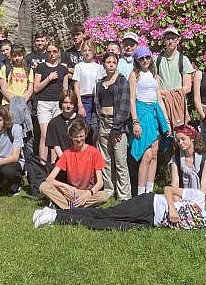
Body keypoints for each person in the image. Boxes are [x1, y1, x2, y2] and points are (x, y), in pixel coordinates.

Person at [33, 181, 206, 238]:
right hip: (149, 204)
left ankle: (56, 217)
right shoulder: (198, 196)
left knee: (107, 226)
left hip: (150, 223)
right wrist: (173, 209)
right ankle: (54, 214)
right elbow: (167, 189)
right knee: (104, 213)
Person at [40, 118, 109, 209]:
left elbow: (100, 182)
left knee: (103, 196)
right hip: (72, 192)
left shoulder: (94, 152)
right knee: (43, 186)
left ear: (86, 135)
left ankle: (67, 205)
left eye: (81, 136)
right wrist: (66, 186)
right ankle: (76, 206)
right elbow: (49, 179)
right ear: (71, 136)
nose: (79, 139)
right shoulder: (67, 153)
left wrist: (89, 193)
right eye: (76, 137)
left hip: (87, 192)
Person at [129, 46, 170, 195]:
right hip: (142, 113)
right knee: (145, 156)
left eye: (147, 57)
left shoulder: (155, 75)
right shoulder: (134, 75)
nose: (145, 60)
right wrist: (135, 122)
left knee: (154, 154)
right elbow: (132, 100)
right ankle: (141, 193)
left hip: (155, 114)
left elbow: (159, 99)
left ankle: (149, 190)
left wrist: (166, 121)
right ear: (137, 60)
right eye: (141, 58)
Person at [91, 52, 132, 201]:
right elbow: (96, 106)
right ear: (103, 64)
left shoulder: (122, 82)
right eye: (108, 62)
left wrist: (117, 126)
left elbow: (124, 105)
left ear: (117, 64)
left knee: (120, 160)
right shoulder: (99, 84)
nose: (110, 65)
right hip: (103, 122)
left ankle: (124, 194)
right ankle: (109, 189)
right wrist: (95, 124)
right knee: (105, 160)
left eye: (113, 62)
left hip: (117, 125)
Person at [33, 41, 69, 162]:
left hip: (58, 104)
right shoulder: (41, 67)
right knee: (44, 134)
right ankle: (42, 164)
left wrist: (67, 104)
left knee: (55, 135)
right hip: (44, 102)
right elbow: (36, 87)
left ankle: (54, 164)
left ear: (58, 52)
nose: (52, 54)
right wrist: (49, 78)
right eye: (49, 52)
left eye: (54, 51)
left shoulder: (63, 69)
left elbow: (65, 89)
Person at [156, 27, 195, 128]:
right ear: (164, 40)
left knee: (180, 135)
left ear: (178, 40)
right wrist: (161, 94)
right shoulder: (157, 60)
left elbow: (187, 88)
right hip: (162, 103)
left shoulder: (183, 60)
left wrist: (170, 95)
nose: (170, 41)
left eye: (173, 38)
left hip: (179, 104)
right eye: (168, 38)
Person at [169, 125, 206, 192]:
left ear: (192, 138)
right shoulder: (175, 160)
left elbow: (204, 187)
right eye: (178, 140)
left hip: (200, 196)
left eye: (183, 139)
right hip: (181, 196)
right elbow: (175, 185)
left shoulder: (205, 160)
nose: (180, 143)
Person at [72, 39, 103, 129]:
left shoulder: (99, 67)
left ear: (94, 52)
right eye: (85, 50)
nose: (87, 53)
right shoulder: (79, 66)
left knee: (96, 126)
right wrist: (80, 105)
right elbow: (76, 87)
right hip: (84, 99)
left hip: (96, 98)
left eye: (89, 50)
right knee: (84, 125)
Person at [45, 90, 78, 163]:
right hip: (63, 159)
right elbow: (56, 146)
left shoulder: (81, 121)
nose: (68, 106)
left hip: (80, 159)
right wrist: (66, 161)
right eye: (65, 103)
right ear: (61, 103)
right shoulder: (54, 123)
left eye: (71, 103)